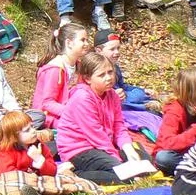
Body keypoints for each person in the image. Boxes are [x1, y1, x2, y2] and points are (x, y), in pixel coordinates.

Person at [55, 52, 145, 185]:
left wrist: (128, 148)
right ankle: (75, 173)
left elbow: (119, 126)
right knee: (124, 174)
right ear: (87, 78)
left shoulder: (112, 95)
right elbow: (95, 134)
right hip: (80, 149)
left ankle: (124, 169)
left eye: (110, 72)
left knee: (142, 159)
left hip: (104, 146)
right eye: (102, 75)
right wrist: (117, 159)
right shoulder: (83, 98)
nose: (108, 78)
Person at [31, 22, 90, 130]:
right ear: (69, 43)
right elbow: (47, 103)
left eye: (87, 40)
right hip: (49, 118)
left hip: (70, 114)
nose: (87, 44)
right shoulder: (54, 69)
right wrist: (72, 113)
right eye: (82, 40)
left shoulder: (78, 66)